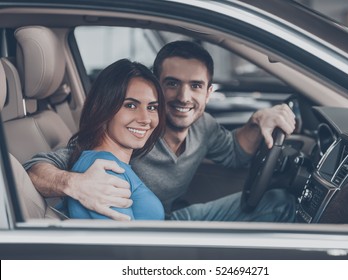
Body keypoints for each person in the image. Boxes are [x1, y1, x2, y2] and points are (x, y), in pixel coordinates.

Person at [24, 40, 296, 222]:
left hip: (166, 219)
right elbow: (39, 167)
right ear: (156, 82)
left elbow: (236, 153)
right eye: (172, 83)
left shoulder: (204, 127)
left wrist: (258, 121)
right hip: (155, 231)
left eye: (196, 86)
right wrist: (73, 183)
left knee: (278, 201)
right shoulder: (112, 151)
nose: (183, 97)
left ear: (209, 92)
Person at [67, 59, 166, 220]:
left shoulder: (112, 164)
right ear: (104, 107)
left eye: (152, 107)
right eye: (131, 105)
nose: (145, 119)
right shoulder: (104, 171)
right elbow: (124, 244)